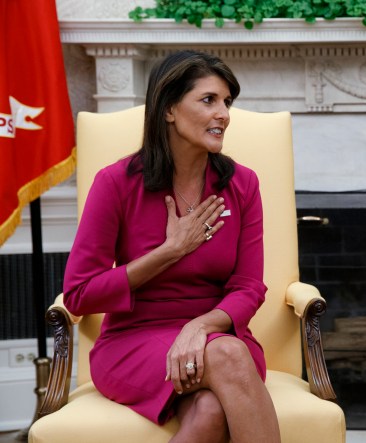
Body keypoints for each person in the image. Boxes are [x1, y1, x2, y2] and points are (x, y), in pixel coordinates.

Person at [63, 50, 281, 443]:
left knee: (212, 409)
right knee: (229, 357)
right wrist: (170, 250)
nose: (225, 114)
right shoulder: (115, 183)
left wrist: (199, 326)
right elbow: (79, 295)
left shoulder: (242, 185)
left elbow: (249, 287)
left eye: (227, 102)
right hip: (134, 344)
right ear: (168, 109)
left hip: (218, 335)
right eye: (209, 100)